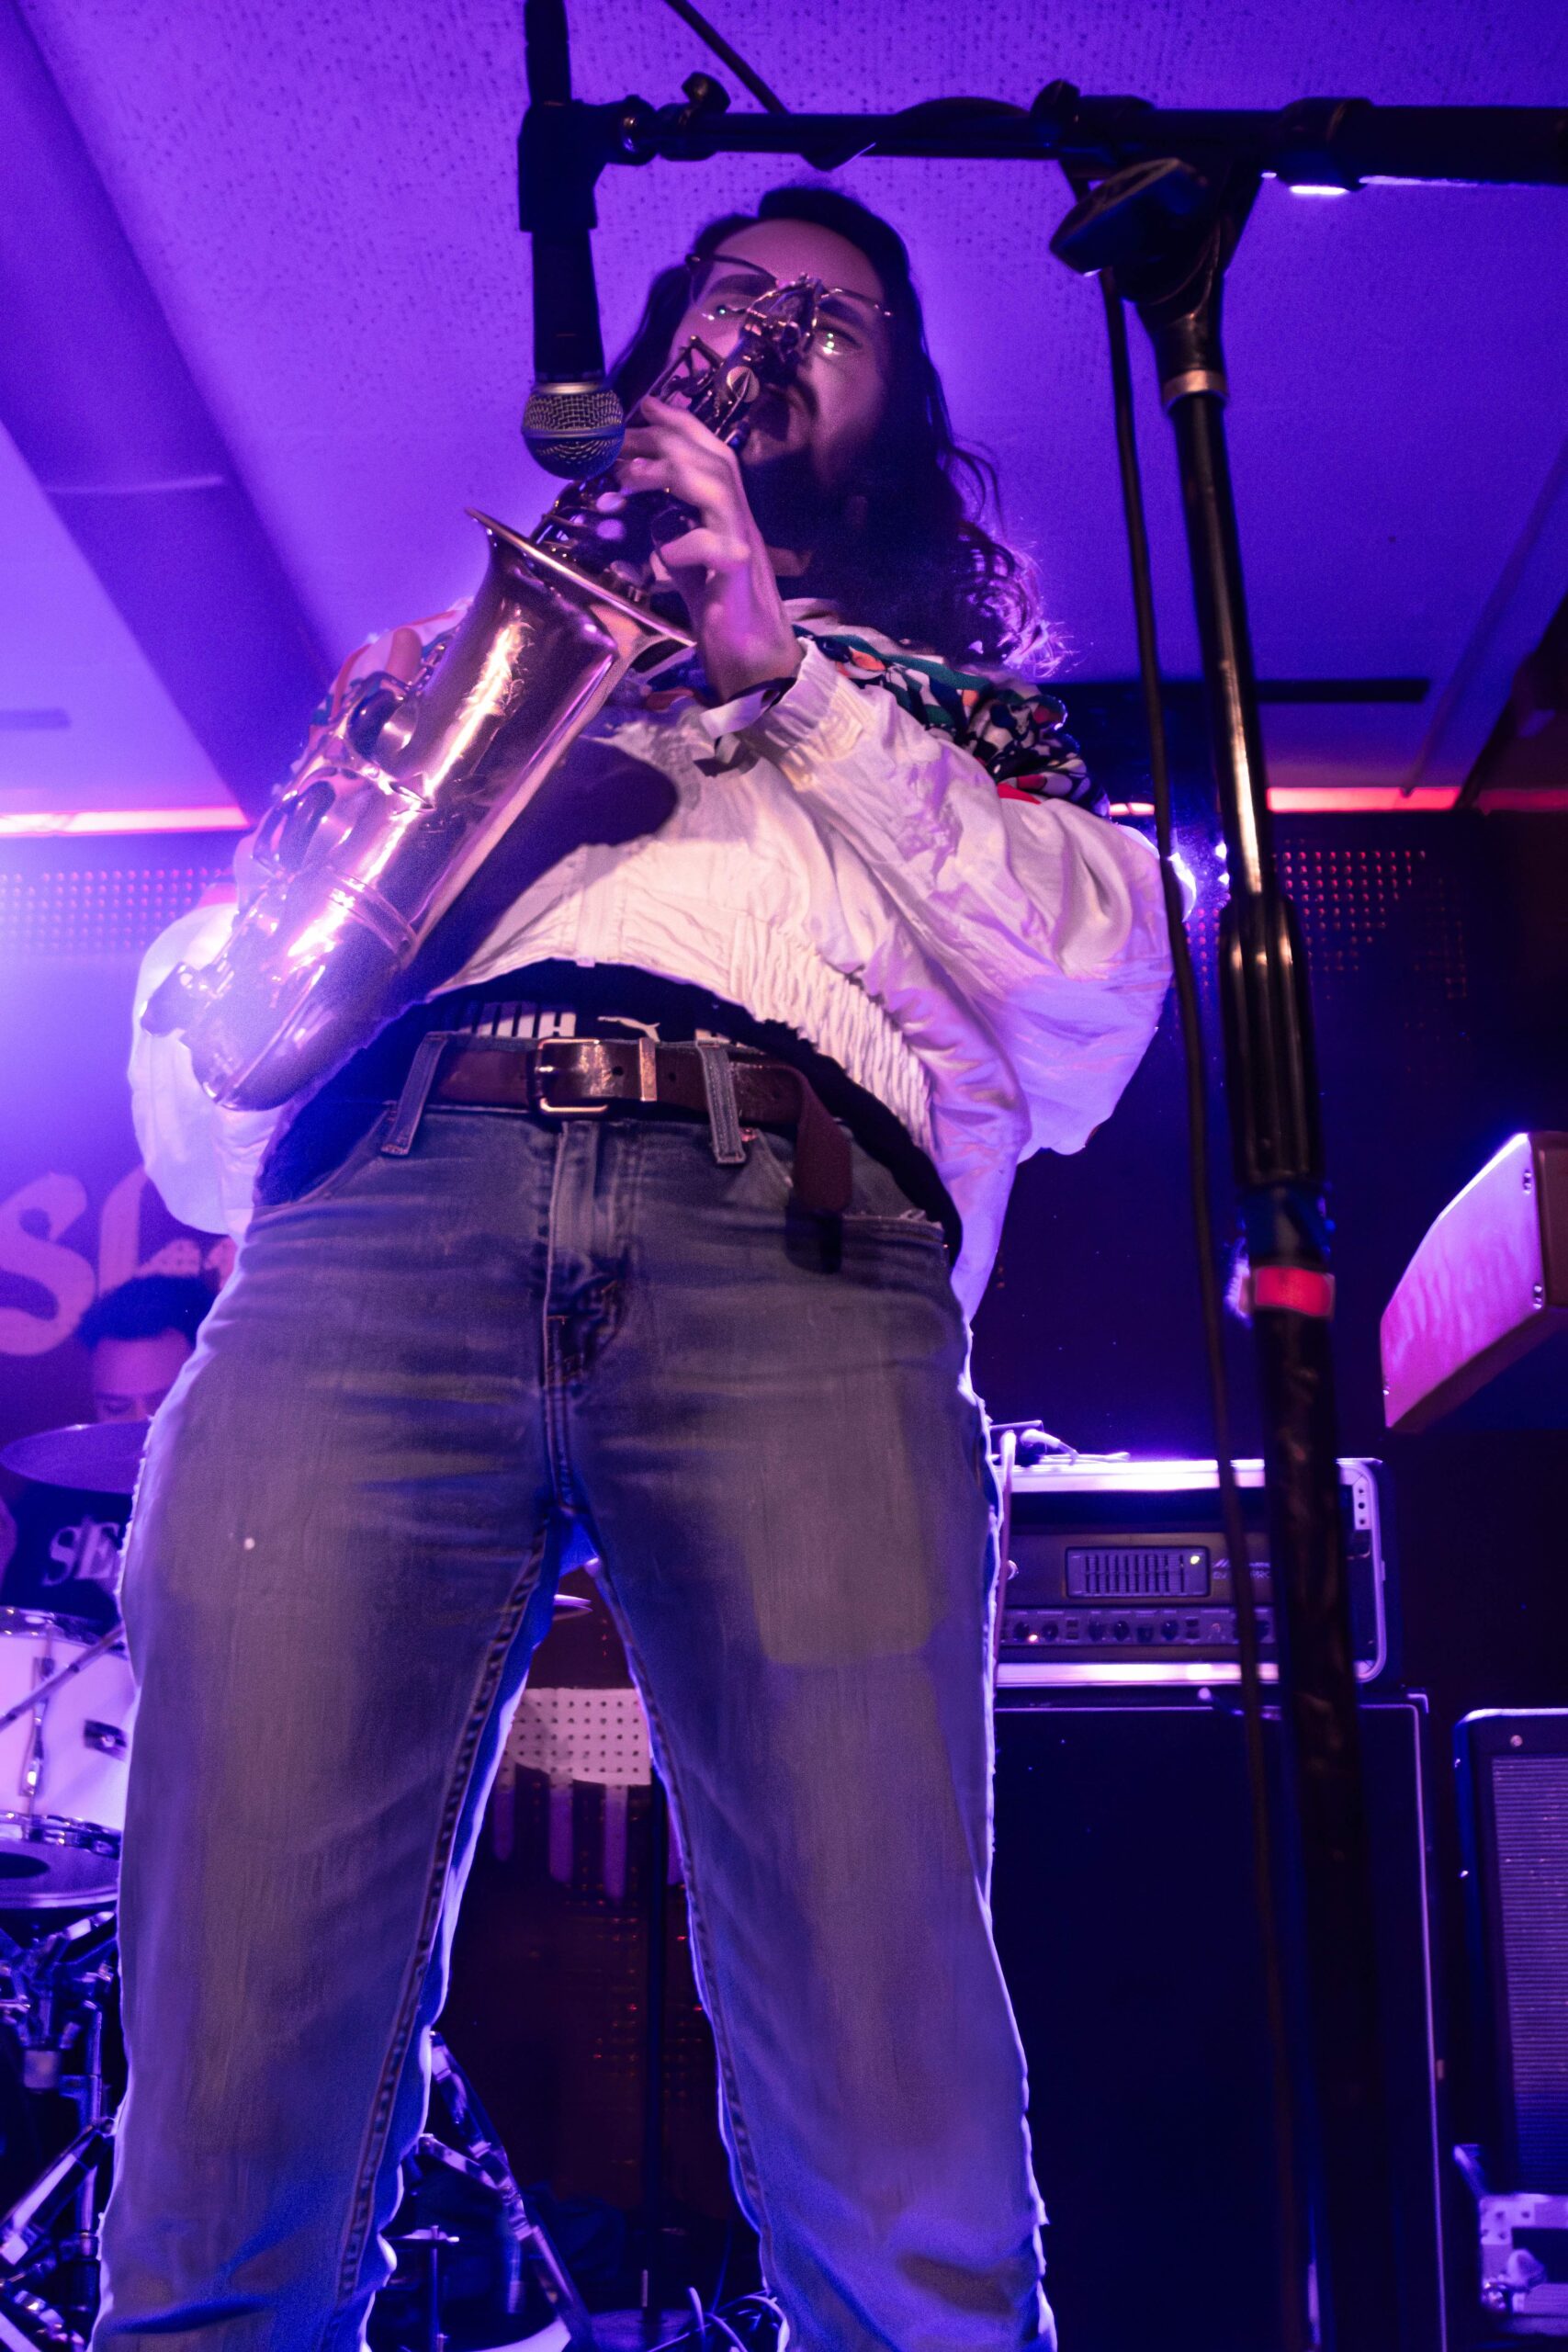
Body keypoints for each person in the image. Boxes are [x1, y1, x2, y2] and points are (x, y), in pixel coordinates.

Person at [97, 189, 1170, 2352]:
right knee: (226, 2071)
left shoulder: (944, 716)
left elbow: (1091, 1001)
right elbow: (202, 1130)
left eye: (833, 318)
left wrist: (782, 669)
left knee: (881, 2057)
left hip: (785, 1224)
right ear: (655, 345)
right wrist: (309, 861)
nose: (769, 329)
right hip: (376, 1204)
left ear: (890, 410)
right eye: (732, 295)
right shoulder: (439, 677)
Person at [0, 1274, 214, 1632]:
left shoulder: (261, 1499)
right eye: (116, 1407)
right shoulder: (53, 1497)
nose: (140, 1426)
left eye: (165, 1402)